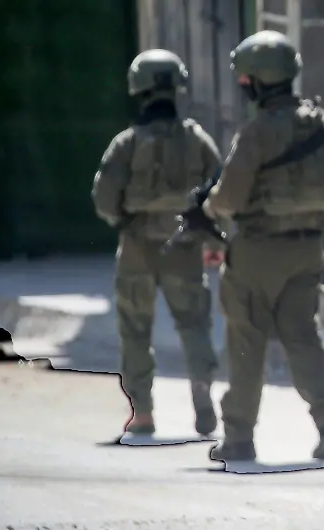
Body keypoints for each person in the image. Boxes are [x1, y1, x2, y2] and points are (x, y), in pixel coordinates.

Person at [202, 30, 324, 463]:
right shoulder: (322, 123)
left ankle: (238, 438)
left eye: (246, 78)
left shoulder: (257, 131)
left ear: (259, 80)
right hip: (308, 248)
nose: (242, 85)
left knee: (246, 342)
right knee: (304, 337)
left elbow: (230, 197)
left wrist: (208, 206)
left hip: (258, 252)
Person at [91, 49, 224, 437]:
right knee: (194, 325)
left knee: (135, 330)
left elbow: (104, 200)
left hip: (137, 248)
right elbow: (220, 190)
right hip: (185, 247)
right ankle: (202, 392)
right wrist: (213, 238)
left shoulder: (126, 143)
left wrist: (125, 220)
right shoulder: (198, 140)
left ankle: (143, 413)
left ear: (139, 90)